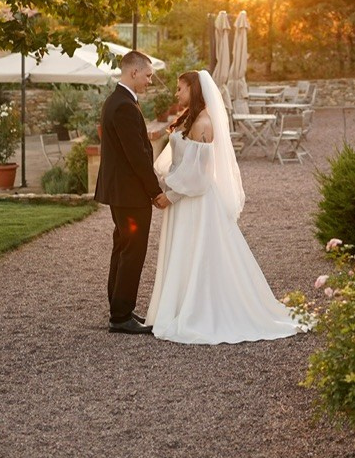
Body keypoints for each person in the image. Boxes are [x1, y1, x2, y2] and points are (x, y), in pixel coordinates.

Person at [145, 69, 306, 344]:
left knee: (200, 255)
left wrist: (171, 195)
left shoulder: (204, 123)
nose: (176, 93)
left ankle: (201, 311)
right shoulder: (189, 118)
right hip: (184, 196)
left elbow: (200, 175)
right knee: (186, 253)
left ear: (193, 91)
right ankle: (178, 306)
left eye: (180, 89)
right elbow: (183, 160)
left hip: (195, 201)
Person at [94, 50, 170, 335]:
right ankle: (120, 315)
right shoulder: (124, 105)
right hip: (130, 193)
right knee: (132, 251)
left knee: (123, 247)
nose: (150, 81)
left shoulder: (118, 101)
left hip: (122, 191)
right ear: (134, 72)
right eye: (148, 75)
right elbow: (136, 156)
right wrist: (155, 191)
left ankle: (120, 308)